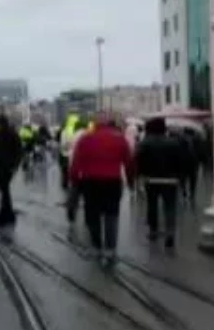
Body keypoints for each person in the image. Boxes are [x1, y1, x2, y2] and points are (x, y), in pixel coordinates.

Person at [69, 113, 134, 265]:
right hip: (112, 182)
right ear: (110, 122)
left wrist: (74, 181)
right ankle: (110, 250)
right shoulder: (119, 138)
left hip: (90, 182)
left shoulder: (85, 139)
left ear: (95, 123)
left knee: (93, 215)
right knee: (112, 215)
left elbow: (76, 163)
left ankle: (96, 247)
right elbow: (129, 162)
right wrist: (131, 181)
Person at [135, 117, 186, 249]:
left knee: (152, 205)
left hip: (151, 179)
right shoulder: (173, 143)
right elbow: (181, 162)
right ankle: (170, 232)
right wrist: (180, 178)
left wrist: (140, 175)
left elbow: (137, 160)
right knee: (170, 207)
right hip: (170, 180)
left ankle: (153, 231)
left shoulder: (145, 143)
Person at [0, 115, 23, 226]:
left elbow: (19, 151)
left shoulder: (10, 134)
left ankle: (4, 216)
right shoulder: (0, 134)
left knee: (4, 190)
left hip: (6, 166)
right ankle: (8, 214)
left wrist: (14, 165)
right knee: (4, 190)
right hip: (1, 166)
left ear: (2, 124)